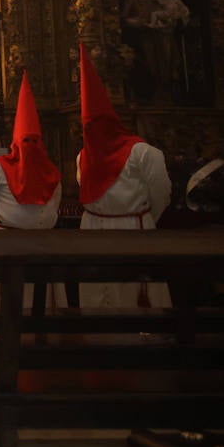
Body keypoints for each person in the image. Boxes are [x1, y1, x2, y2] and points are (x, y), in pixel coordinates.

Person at [75, 44, 171, 308]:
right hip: (95, 232)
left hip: (133, 231)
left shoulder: (144, 153)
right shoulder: (83, 156)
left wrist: (140, 218)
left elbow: (160, 195)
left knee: (132, 296)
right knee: (98, 298)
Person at [0, 73, 64, 309]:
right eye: (26, 141)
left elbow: (54, 202)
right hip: (6, 245)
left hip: (43, 245)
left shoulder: (50, 171)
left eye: (34, 141)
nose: (30, 148)